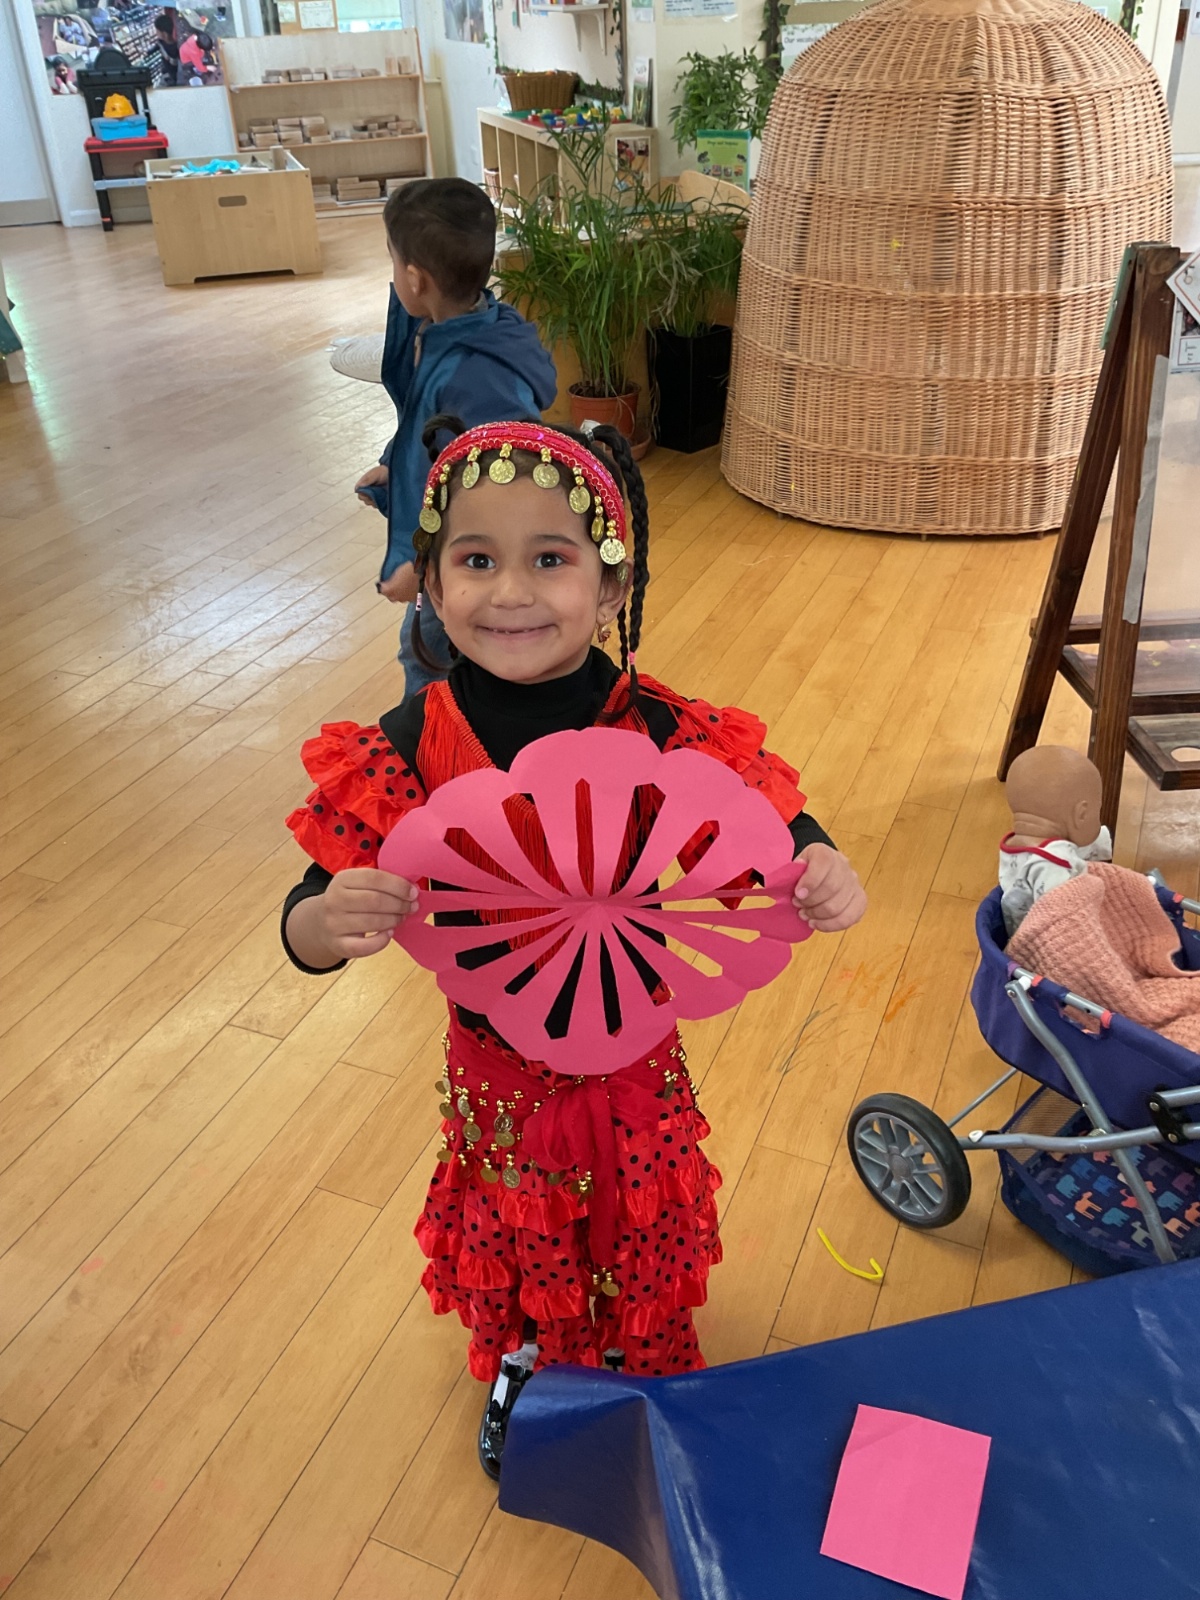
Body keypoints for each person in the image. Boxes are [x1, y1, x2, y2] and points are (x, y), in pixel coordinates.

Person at [282, 418, 867, 1478]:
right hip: (496, 1071)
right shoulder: (408, 745)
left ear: (611, 589)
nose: (510, 591)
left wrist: (819, 863)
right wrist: (327, 923)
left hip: (635, 1057)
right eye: (475, 560)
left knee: (642, 1219)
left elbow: (770, 822)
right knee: (521, 1227)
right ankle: (528, 1359)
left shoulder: (660, 727)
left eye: (550, 558)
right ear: (428, 584)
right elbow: (307, 913)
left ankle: (643, 1359)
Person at [352, 179, 556, 703]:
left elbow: (492, 488)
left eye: (393, 261)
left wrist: (419, 564)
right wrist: (396, 468)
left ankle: (435, 744)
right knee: (444, 656)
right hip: (456, 549)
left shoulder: (474, 373)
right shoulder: (467, 331)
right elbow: (432, 429)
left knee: (427, 656)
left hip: (470, 556)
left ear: (415, 279)